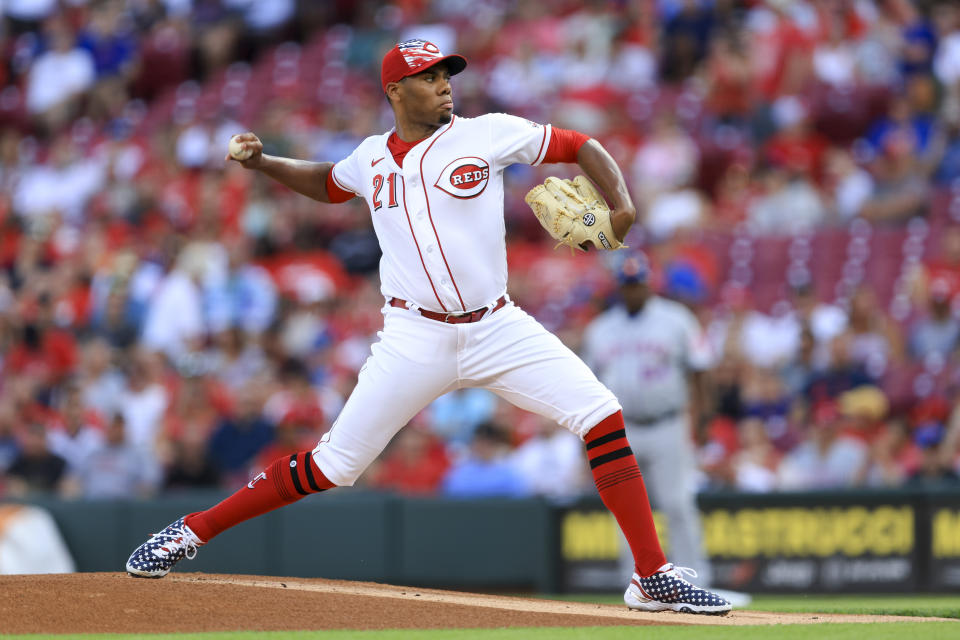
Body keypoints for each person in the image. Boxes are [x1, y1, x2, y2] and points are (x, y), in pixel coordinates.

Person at [124, 39, 731, 615]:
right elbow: (327, 183)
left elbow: (580, 143)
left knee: (601, 413)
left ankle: (650, 575)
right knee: (334, 467)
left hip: (498, 326)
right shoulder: (369, 158)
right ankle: (188, 532)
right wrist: (264, 164)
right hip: (414, 337)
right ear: (396, 90)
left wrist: (620, 203)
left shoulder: (485, 133)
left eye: (447, 76)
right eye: (430, 78)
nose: (445, 87)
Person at [581, 252, 715, 586]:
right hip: (620, 430)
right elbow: (587, 382)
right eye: (627, 285)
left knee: (677, 503)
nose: (633, 291)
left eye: (638, 284)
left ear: (649, 284)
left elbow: (699, 370)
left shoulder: (676, 319)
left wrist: (703, 418)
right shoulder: (600, 329)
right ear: (618, 287)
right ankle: (641, 583)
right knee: (627, 509)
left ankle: (697, 582)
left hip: (668, 422)